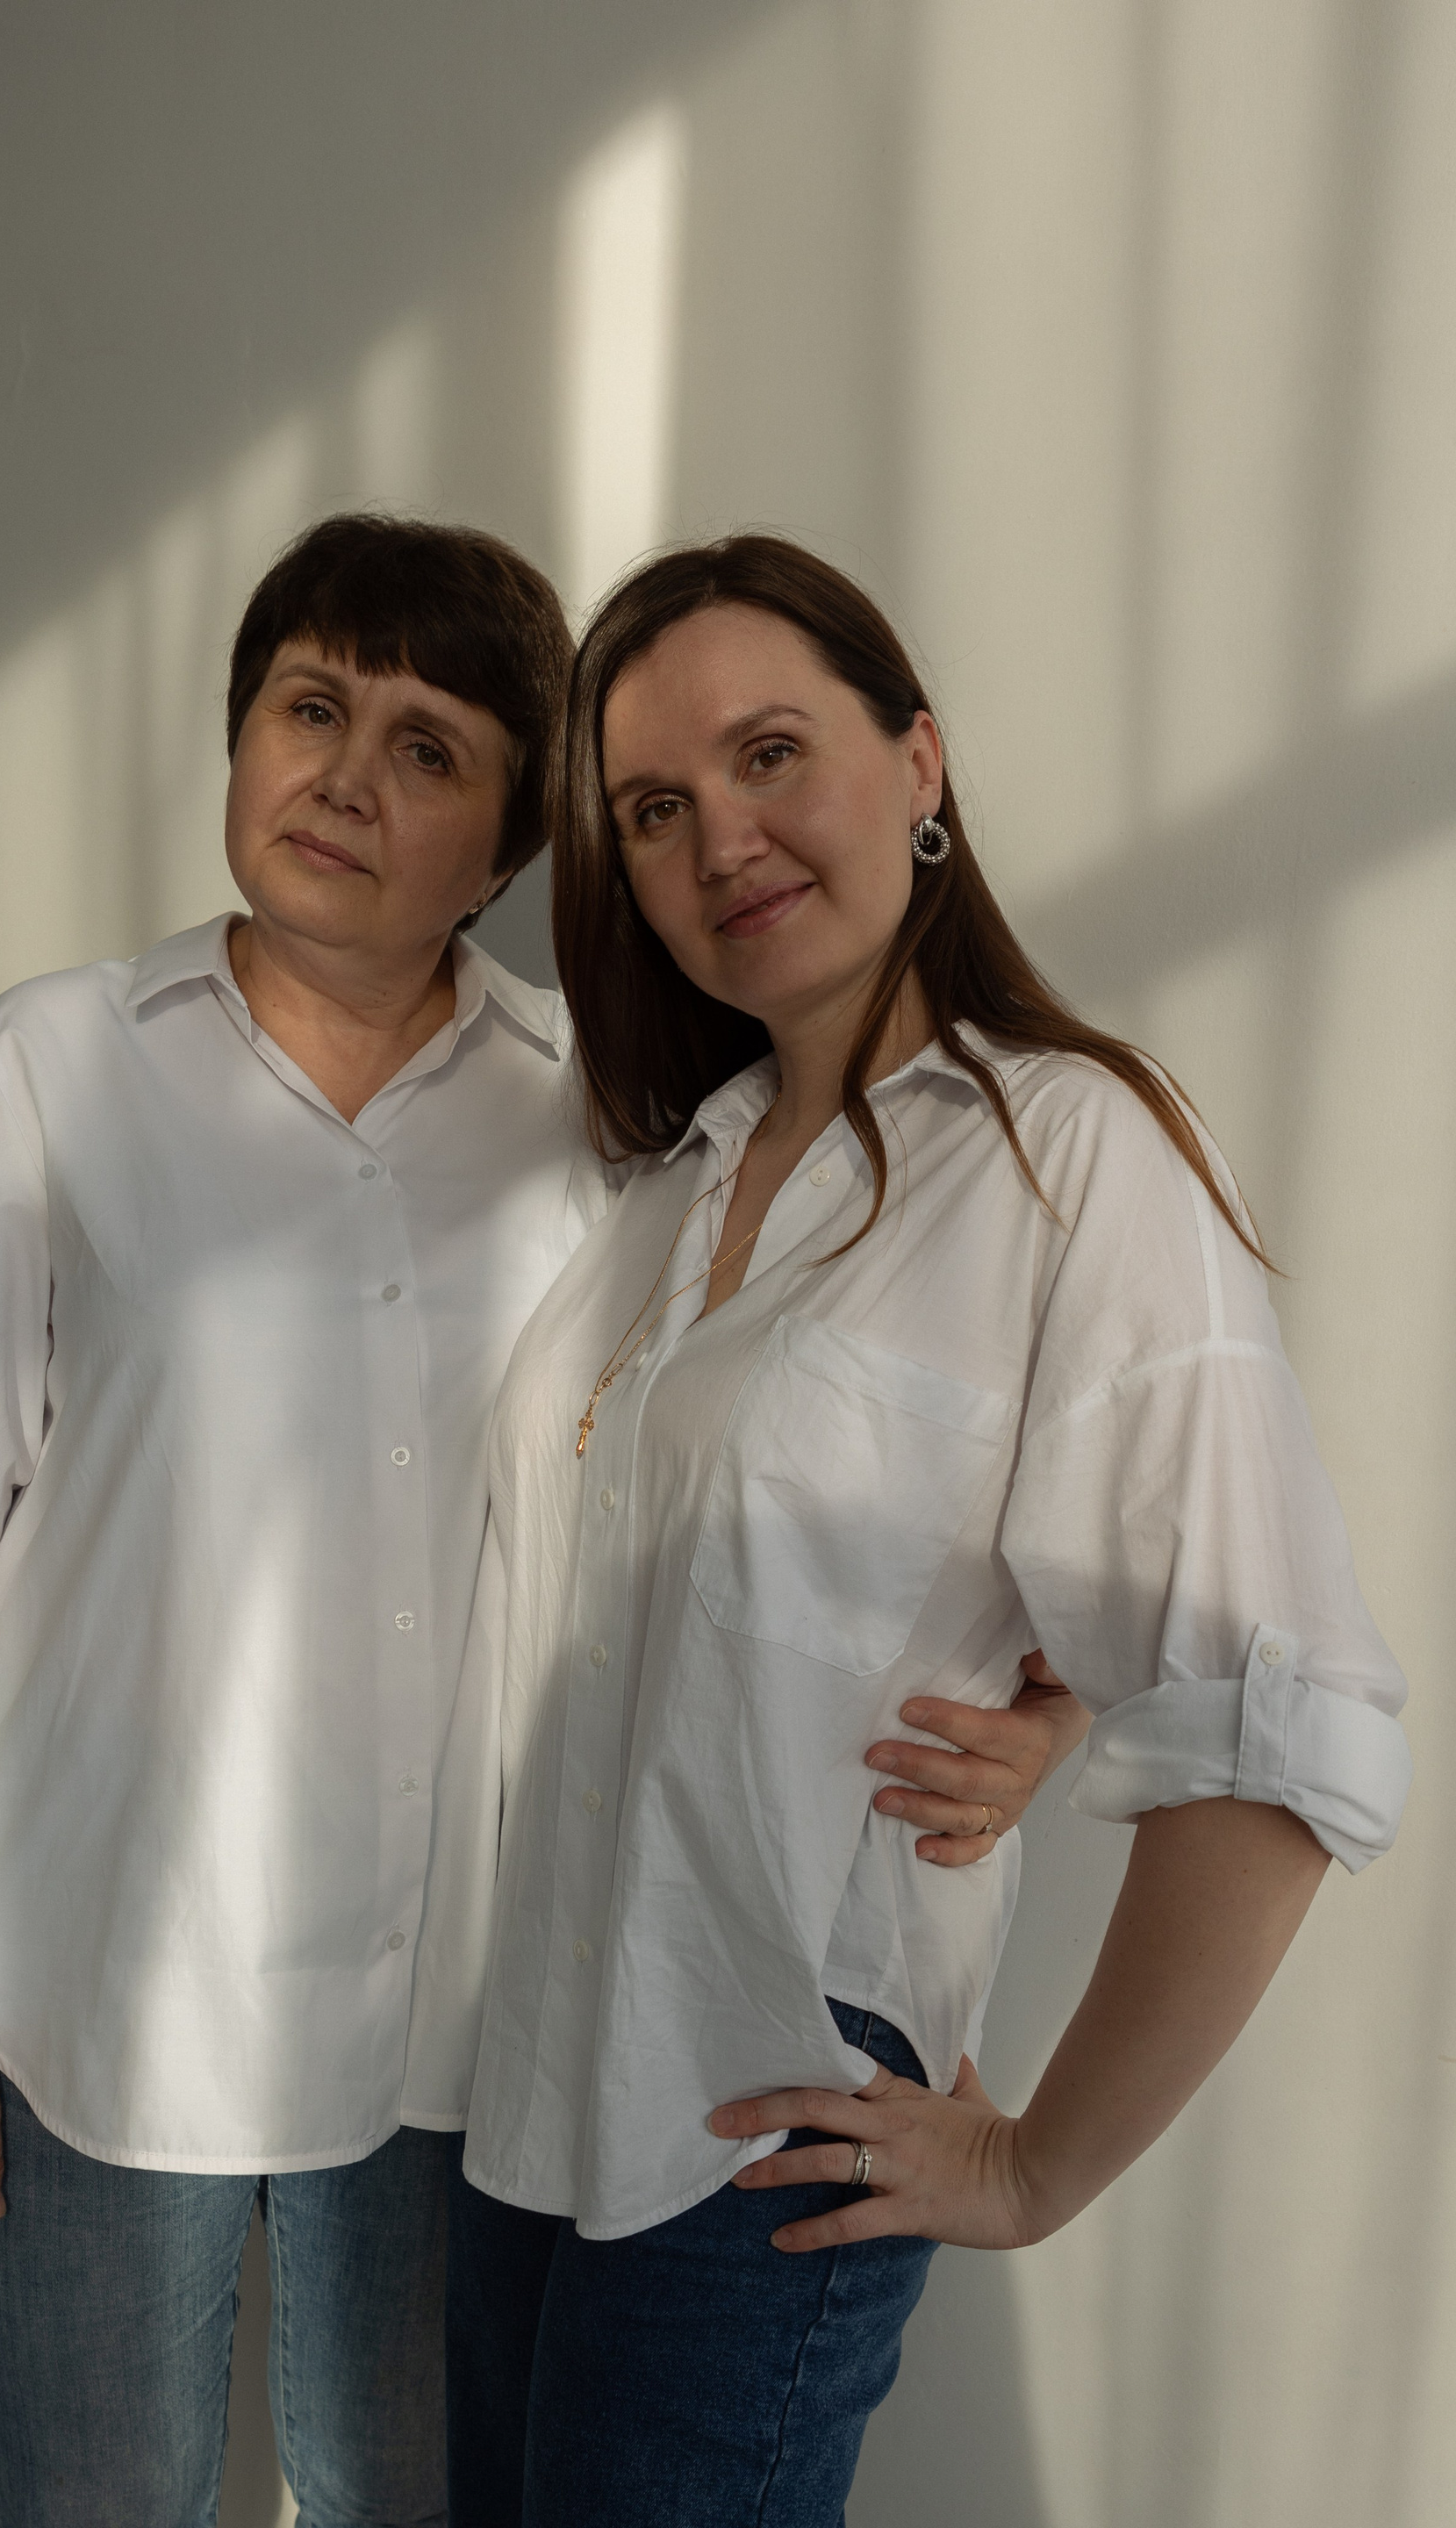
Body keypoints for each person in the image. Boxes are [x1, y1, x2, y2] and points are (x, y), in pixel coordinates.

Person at [0, 515, 1073, 2528]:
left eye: (428, 748)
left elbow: (799, 1457)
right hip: (88, 2000)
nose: (345, 780)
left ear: (509, 850)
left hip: (459, 2048)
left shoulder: (611, 1120)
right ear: (239, 741)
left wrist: (1052, 1710)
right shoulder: (46, 1075)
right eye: (310, 709)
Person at [442, 535, 1413, 2528]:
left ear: (919, 760)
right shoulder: (663, 1186)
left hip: (758, 2127)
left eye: (772, 753)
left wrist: (1037, 2167)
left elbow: (1275, 1715)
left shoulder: (1071, 1155)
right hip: (524, 2090)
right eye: (655, 810)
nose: (724, 839)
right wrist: (1047, 1698)